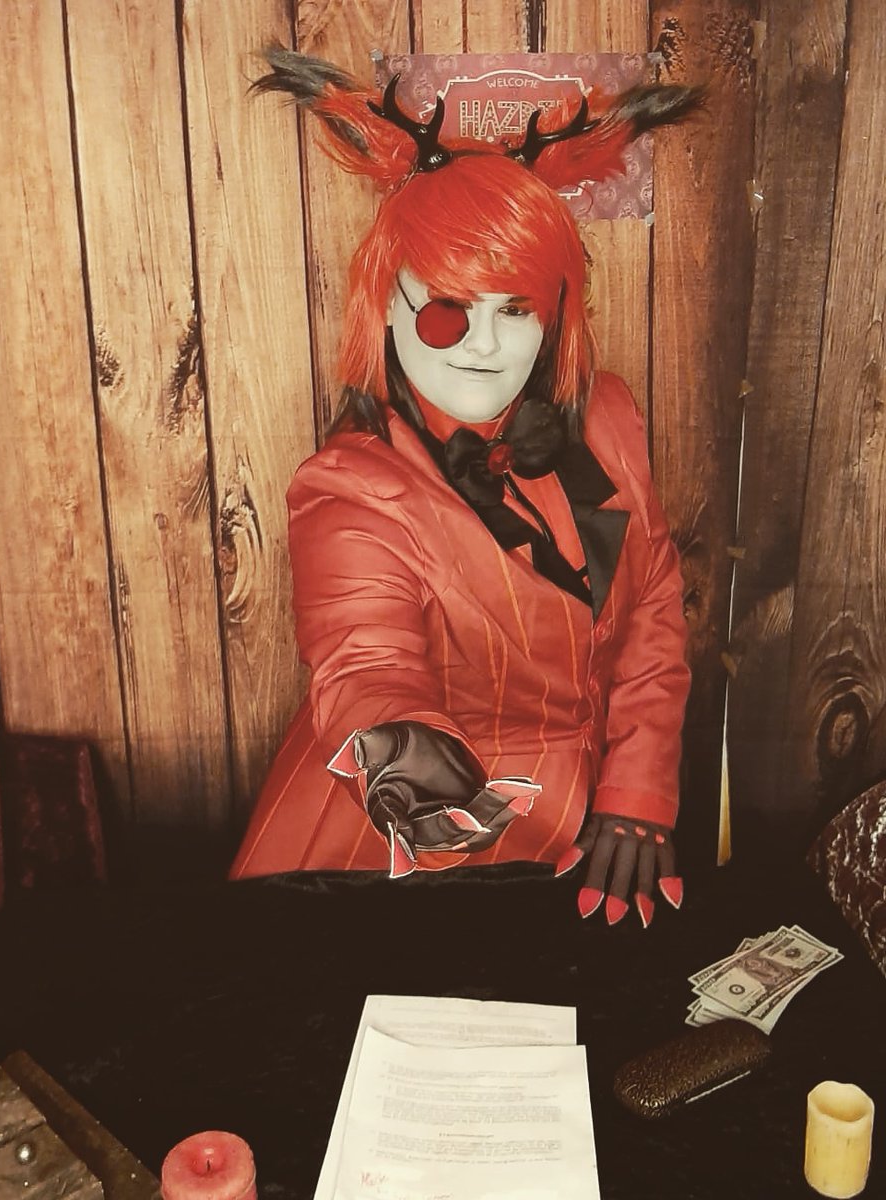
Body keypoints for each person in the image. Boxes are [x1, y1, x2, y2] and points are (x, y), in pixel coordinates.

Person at [229, 48, 697, 927]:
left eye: (515, 309)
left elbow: (653, 608)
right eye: (449, 307)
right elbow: (364, 662)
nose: (484, 343)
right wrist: (410, 771)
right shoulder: (350, 489)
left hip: (599, 826)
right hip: (397, 849)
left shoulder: (608, 416)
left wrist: (640, 789)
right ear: (387, 308)